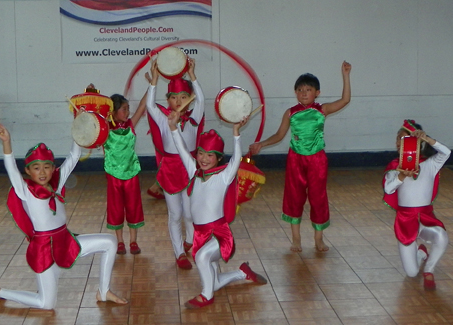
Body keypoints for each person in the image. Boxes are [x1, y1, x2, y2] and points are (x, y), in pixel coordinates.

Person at [0, 123, 127, 309]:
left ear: (53, 168)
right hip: (44, 250)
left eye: (47, 167)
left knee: (110, 242)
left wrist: (79, 129)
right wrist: (7, 143)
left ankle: (103, 292)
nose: (42, 172)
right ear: (28, 171)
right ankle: (2, 293)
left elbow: (74, 156)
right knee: (46, 304)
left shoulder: (57, 182)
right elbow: (11, 170)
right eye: (36, 168)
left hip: (66, 242)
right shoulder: (25, 190)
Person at [168, 111, 268, 308]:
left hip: (219, 235)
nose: (204, 159)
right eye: (201, 153)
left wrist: (236, 132)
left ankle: (206, 296)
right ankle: (242, 272)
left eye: (210, 155)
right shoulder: (194, 173)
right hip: (200, 236)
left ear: (218, 158)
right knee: (213, 282)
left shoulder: (224, 176)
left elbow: (237, 157)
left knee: (201, 257)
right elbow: (180, 148)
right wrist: (173, 126)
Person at [249, 61, 352, 252]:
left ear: (317, 93)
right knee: (294, 197)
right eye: (300, 90)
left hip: (317, 160)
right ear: (295, 92)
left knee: (318, 198)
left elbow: (345, 100)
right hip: (295, 160)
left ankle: (318, 239)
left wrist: (345, 75)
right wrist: (261, 144)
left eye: (308, 89)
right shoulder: (290, 113)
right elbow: (279, 135)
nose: (304, 93)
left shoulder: (322, 110)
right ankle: (296, 239)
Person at [146, 58, 204, 269]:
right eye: (173, 97)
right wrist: (154, 79)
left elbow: (202, 100)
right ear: (168, 99)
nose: (178, 101)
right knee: (175, 214)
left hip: (189, 168)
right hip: (170, 170)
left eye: (183, 96)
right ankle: (179, 252)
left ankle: (190, 240)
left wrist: (192, 75)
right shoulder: (163, 119)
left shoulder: (194, 117)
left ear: (190, 97)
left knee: (190, 213)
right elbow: (150, 105)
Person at [383, 120, 450, 290]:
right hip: (406, 222)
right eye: (398, 139)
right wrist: (402, 176)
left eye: (404, 139)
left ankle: (429, 270)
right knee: (411, 273)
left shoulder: (430, 165)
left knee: (442, 236)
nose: (399, 143)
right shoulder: (394, 168)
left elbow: (446, 152)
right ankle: (420, 251)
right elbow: (388, 189)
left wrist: (428, 138)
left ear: (417, 143)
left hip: (426, 219)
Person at [98, 83, 146, 255]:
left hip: (131, 173)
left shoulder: (130, 126)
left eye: (128, 109)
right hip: (114, 176)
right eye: (124, 109)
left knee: (133, 207)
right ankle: (120, 241)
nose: (128, 112)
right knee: (116, 208)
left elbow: (142, 106)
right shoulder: (104, 130)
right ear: (113, 112)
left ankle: (133, 241)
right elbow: (90, 121)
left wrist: (152, 83)